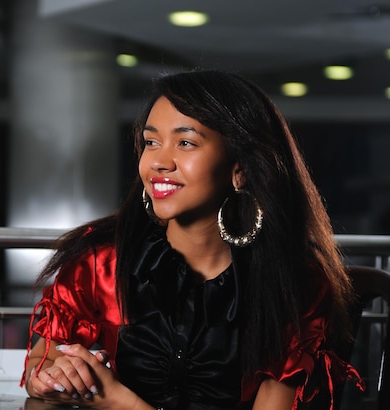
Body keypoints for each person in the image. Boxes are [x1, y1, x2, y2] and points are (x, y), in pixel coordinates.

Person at [20, 69, 364, 409]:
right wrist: (58, 376)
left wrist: (118, 403)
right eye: (152, 142)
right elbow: (41, 368)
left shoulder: (295, 281)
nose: (158, 162)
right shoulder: (101, 263)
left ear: (240, 168)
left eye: (185, 143)